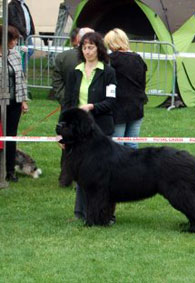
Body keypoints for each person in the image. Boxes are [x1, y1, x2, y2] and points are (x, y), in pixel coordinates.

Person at [63, 32, 117, 221]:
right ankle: (81, 212)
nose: (87, 51)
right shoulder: (75, 71)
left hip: (102, 129)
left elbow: (111, 102)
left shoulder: (108, 72)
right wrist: (63, 132)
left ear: (99, 49)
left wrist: (91, 107)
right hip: (79, 133)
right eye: (84, 47)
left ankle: (107, 214)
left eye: (91, 47)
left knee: (104, 175)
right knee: (82, 173)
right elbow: (68, 103)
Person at [52, 27, 94, 187]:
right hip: (78, 107)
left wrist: (65, 101)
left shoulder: (62, 57)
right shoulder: (66, 58)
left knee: (67, 142)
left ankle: (66, 177)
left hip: (71, 106)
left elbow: (56, 83)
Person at [104, 28, 148, 149]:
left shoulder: (109, 60)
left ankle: (118, 168)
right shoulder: (138, 58)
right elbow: (143, 82)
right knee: (132, 143)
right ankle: (134, 168)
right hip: (136, 104)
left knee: (117, 144)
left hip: (119, 106)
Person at [0, 25, 30, 182]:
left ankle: (10, 170)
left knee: (11, 137)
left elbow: (21, 78)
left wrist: (23, 100)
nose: (16, 42)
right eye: (13, 39)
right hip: (0, 102)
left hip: (14, 103)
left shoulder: (15, 54)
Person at [8, 0, 36, 70]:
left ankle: (21, 71)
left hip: (27, 35)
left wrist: (32, 30)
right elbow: (13, 20)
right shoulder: (12, 5)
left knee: (29, 51)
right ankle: (18, 71)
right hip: (19, 35)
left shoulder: (24, 5)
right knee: (20, 54)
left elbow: (29, 18)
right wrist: (23, 30)